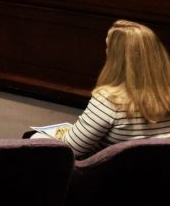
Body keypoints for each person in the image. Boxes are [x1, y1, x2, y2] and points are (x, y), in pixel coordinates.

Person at [50, 20, 170, 157]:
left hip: (112, 174)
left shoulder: (110, 100)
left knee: (35, 140)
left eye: (108, 48)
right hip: (161, 173)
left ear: (117, 57)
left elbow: (71, 150)